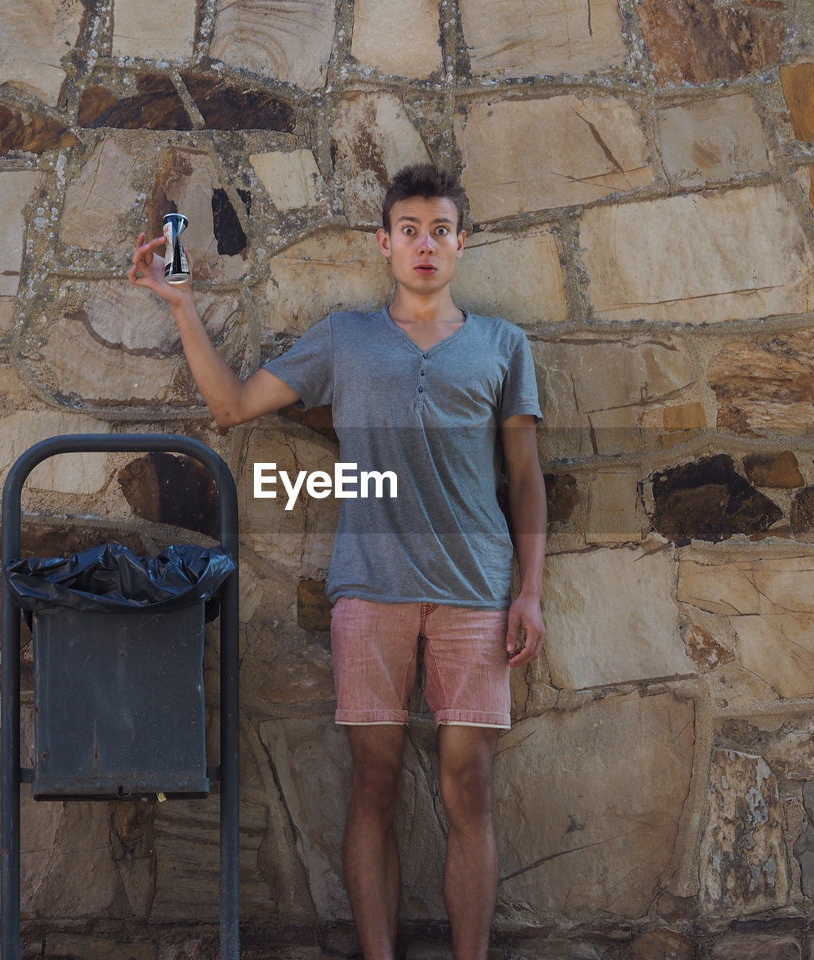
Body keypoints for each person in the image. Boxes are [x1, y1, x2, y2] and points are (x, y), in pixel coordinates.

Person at [128, 162, 547, 960]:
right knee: (375, 784)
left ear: (463, 242)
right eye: (411, 231)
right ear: (384, 243)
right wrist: (182, 306)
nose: (427, 245)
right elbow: (232, 406)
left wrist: (530, 592)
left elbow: (525, 477)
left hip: (475, 592)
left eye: (442, 231)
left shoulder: (503, 344)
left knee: (469, 787)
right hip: (371, 589)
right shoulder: (346, 338)